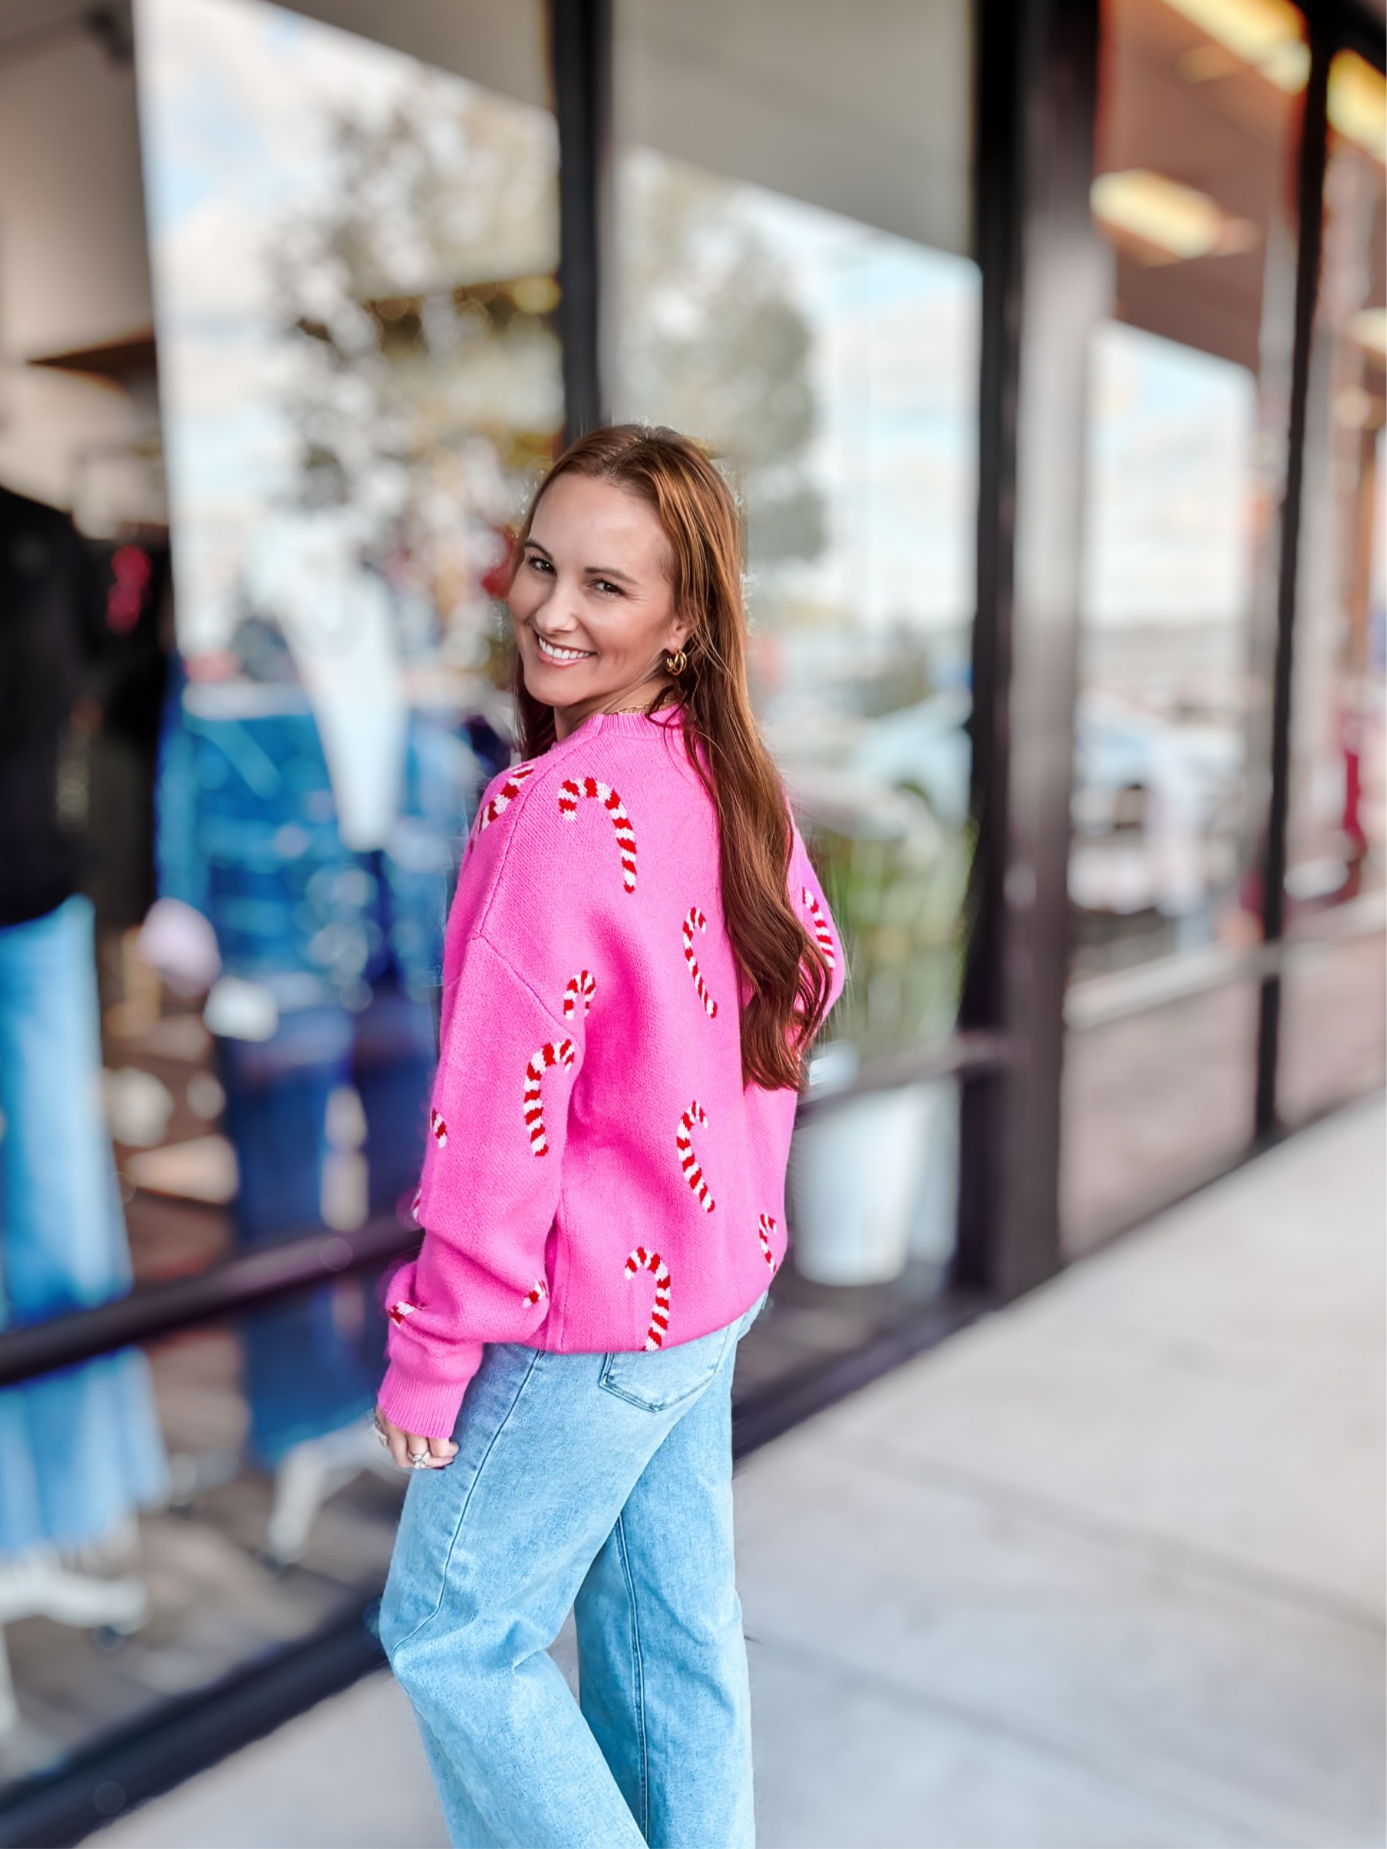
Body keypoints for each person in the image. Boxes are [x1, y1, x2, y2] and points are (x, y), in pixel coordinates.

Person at [374, 425, 845, 1849]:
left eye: (605, 586)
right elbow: (807, 973)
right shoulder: (726, 774)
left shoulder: (560, 809)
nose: (552, 611)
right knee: (670, 1638)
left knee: (454, 1636)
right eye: (538, 565)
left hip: (586, 1329)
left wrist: (432, 1350)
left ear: (685, 621)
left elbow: (492, 1124)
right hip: (700, 1297)